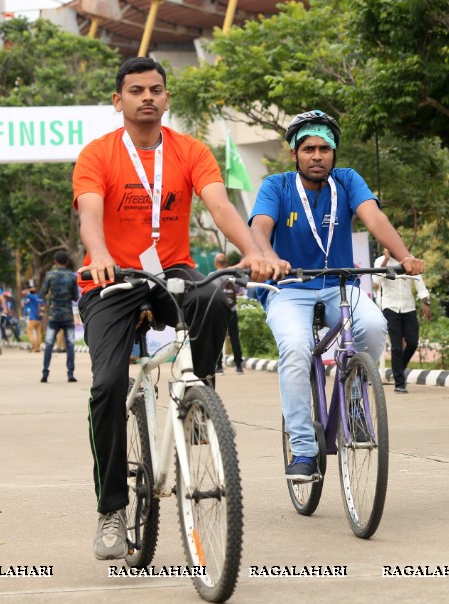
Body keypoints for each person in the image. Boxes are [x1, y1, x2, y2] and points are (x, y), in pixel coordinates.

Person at [73, 56, 282, 560]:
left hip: (172, 272)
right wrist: (100, 256)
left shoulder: (190, 151)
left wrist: (254, 252)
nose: (148, 97)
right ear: (118, 100)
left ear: (167, 98)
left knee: (213, 297)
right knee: (106, 386)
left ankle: (198, 395)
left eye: (157, 90)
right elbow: (90, 215)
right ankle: (111, 509)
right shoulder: (97, 155)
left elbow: (221, 207)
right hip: (113, 279)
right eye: (136, 90)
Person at [247, 109, 424, 481]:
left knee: (375, 326)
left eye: (324, 148)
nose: (317, 155)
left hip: (341, 286)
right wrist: (268, 256)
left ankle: (354, 406)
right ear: (294, 154)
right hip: (289, 288)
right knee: (295, 349)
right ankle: (303, 449)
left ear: (334, 154)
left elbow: (374, 218)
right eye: (308, 148)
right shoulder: (276, 186)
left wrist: (404, 255)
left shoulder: (347, 181)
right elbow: (260, 228)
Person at [373, 247, 431, 394]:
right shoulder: (381, 261)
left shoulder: (409, 260)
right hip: (390, 308)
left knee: (412, 342)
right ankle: (400, 383)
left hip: (408, 307)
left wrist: (425, 302)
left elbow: (419, 281)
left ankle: (398, 368)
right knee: (396, 346)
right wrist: (386, 259)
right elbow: (376, 280)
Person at [39, 250, 79, 383]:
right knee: (70, 344)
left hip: (54, 315)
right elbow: (75, 297)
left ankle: (45, 373)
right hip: (67, 315)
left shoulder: (50, 276)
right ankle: (70, 374)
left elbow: (42, 293)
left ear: (55, 261)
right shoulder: (72, 277)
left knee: (49, 344)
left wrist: (50, 299)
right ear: (67, 262)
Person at [213, 252, 244, 374]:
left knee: (218, 337)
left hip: (218, 310)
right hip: (232, 310)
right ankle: (238, 366)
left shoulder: (212, 275)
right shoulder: (232, 276)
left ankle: (219, 366)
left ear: (216, 263)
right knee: (234, 337)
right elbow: (239, 289)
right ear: (226, 263)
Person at [22, 286, 44, 352]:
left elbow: (23, 293)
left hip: (32, 318)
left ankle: (34, 346)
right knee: (39, 333)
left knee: (29, 331)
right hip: (39, 318)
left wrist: (29, 289)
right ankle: (38, 347)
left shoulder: (31, 297)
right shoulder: (40, 298)